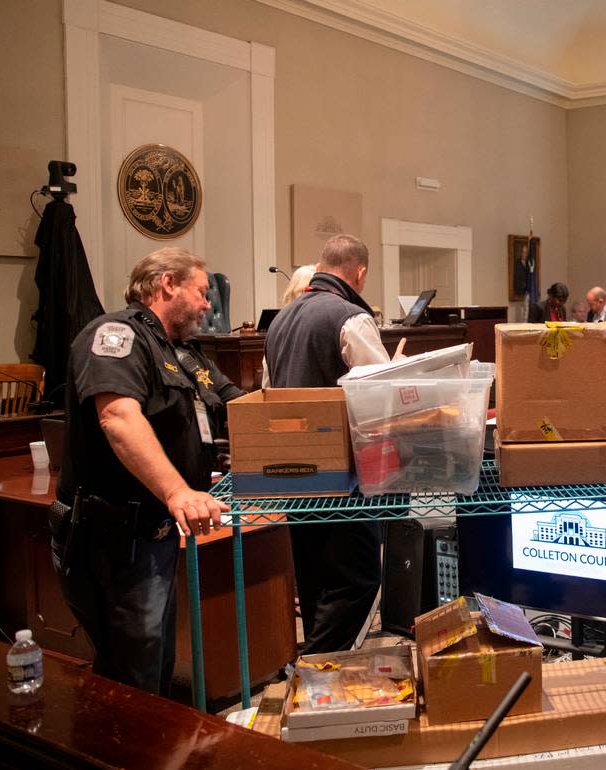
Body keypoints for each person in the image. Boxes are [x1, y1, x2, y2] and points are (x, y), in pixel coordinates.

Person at [52, 247, 243, 695]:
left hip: (153, 536)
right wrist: (178, 491)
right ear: (167, 284)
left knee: (152, 661)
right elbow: (117, 416)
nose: (208, 304)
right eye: (201, 292)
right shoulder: (115, 336)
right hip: (113, 538)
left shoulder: (183, 353)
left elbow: (240, 406)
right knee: (131, 675)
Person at [265, 234, 394, 654]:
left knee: (316, 579)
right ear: (359, 273)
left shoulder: (280, 321)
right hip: (343, 475)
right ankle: (316, 667)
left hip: (291, 474)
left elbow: (268, 391)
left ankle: (316, 681)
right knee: (358, 579)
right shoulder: (350, 316)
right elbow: (383, 394)